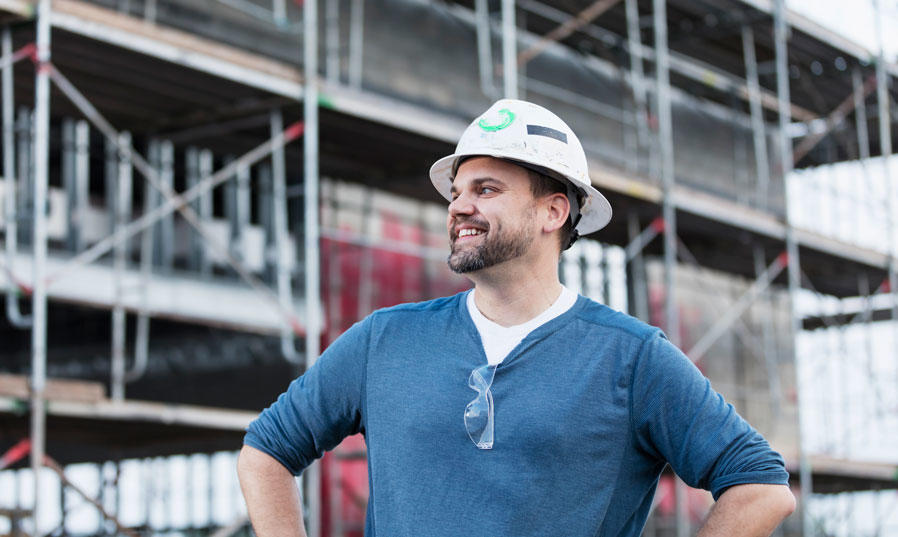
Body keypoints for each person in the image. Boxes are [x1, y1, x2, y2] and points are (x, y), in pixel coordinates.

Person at [237, 99, 795, 536]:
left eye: (487, 189)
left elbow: (761, 486)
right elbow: (265, 453)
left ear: (553, 211)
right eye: (456, 193)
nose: (458, 207)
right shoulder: (384, 340)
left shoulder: (631, 358)